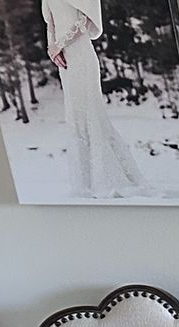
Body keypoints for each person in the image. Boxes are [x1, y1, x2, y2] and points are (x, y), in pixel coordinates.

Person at [43, 0, 151, 199]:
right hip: (64, 61)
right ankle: (85, 182)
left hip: (82, 56)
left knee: (93, 114)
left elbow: (83, 21)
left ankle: (108, 179)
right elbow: (50, 23)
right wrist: (52, 49)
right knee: (75, 116)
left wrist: (59, 45)